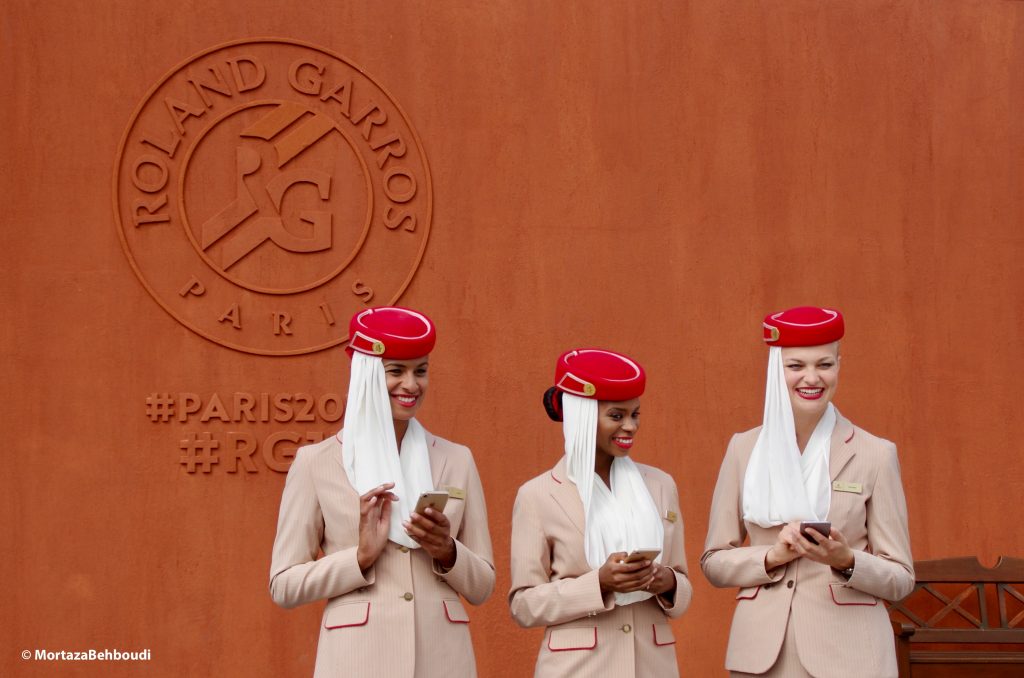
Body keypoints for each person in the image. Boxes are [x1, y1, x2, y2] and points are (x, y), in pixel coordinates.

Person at [269, 306, 495, 678]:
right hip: (357, 660)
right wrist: (359, 558)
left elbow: (483, 586)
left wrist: (447, 550)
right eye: (396, 371)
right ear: (367, 374)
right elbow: (284, 585)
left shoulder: (457, 459)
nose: (412, 385)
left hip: (443, 660)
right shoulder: (316, 463)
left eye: (420, 371)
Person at [702, 306, 914, 677]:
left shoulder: (876, 454)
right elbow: (714, 561)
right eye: (796, 366)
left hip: (850, 655)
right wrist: (771, 556)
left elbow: (901, 578)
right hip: (762, 654)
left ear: (839, 366)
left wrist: (847, 560)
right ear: (775, 370)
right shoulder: (743, 449)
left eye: (825, 365)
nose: (812, 378)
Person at [509, 348, 692, 677]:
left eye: (635, 414)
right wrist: (599, 584)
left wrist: (667, 582)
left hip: (653, 667)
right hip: (577, 669)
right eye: (617, 416)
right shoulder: (537, 495)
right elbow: (524, 605)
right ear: (582, 416)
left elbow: (683, 584)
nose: (630, 426)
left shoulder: (661, 485)